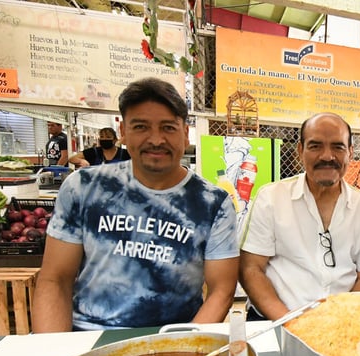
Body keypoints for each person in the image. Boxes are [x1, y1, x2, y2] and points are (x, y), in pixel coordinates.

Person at [32, 77, 239, 332]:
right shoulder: (83, 187)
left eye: (168, 128)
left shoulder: (212, 203)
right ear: (123, 133)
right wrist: (54, 355)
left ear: (185, 134)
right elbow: (55, 280)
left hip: (173, 335)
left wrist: (183, 346)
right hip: (88, 335)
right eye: (141, 127)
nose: (156, 139)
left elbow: (222, 291)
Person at [239, 112, 360, 321]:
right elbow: (251, 268)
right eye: (315, 146)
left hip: (341, 323)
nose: (327, 156)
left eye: (338, 146)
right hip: (275, 321)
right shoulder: (270, 198)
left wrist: (341, 319)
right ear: (300, 150)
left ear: (350, 153)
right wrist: (290, 322)